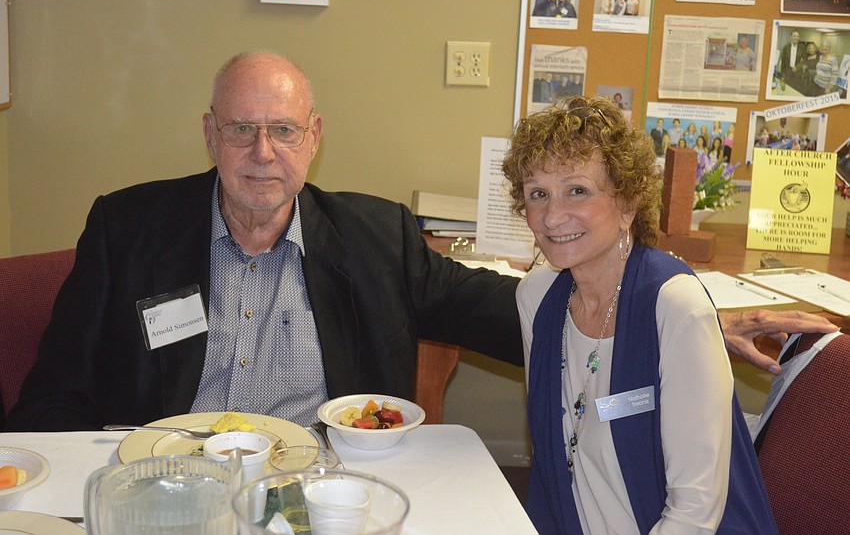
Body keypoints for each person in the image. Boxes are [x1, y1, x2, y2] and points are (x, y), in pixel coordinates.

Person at [5, 52, 523, 431]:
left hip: (319, 493)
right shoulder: (126, 230)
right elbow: (52, 398)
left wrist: (576, 276)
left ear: (313, 137)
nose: (263, 152)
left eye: (284, 130)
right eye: (241, 129)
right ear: (210, 135)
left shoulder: (379, 239)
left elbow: (505, 313)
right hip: (170, 490)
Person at [502, 96, 779, 534]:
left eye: (578, 190)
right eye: (539, 194)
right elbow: (557, 463)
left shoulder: (676, 307)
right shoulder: (536, 299)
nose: (552, 217)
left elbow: (695, 512)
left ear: (627, 204)